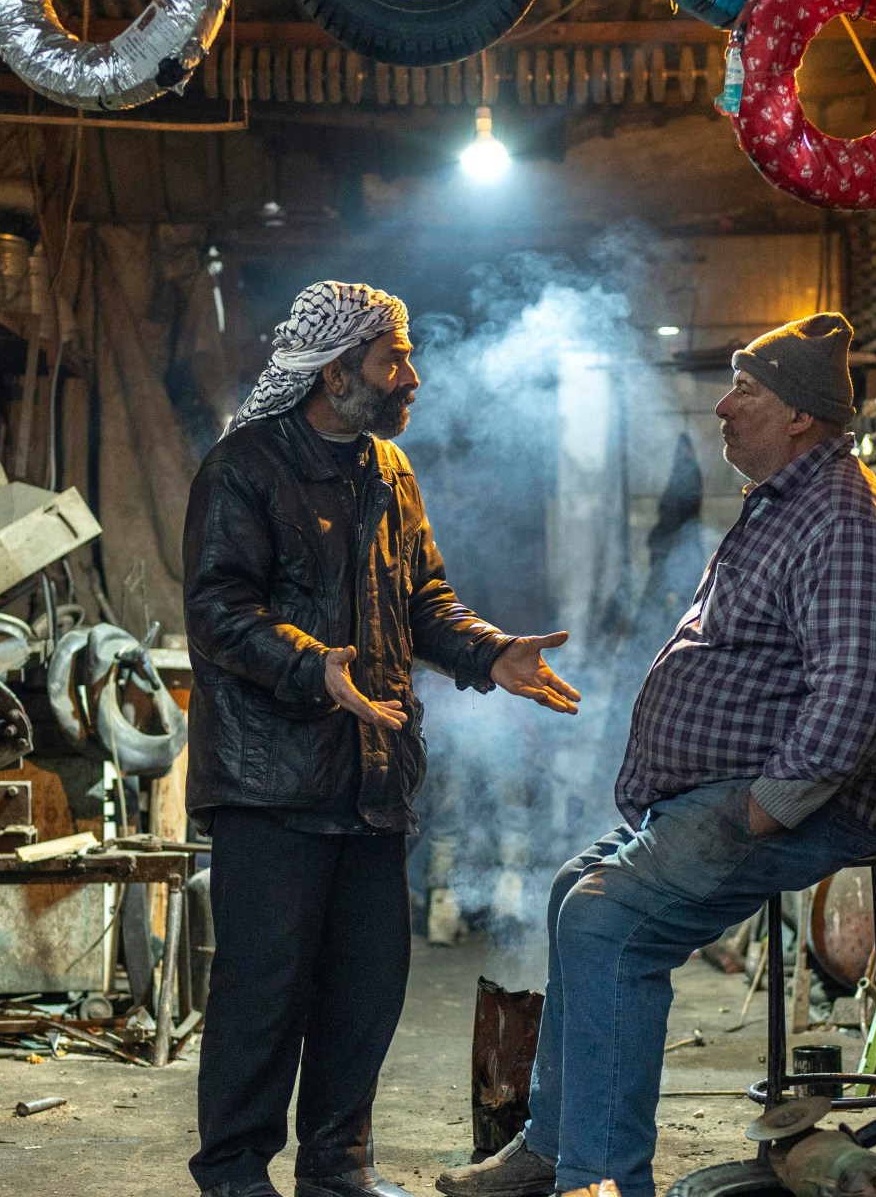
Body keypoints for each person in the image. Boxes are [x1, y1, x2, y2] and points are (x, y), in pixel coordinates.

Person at [436, 312, 876, 1197]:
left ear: (802, 417)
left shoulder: (848, 522)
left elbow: (859, 689)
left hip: (799, 807)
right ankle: (552, 1147)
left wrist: (763, 807)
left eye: (748, 389)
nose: (723, 405)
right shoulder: (787, 503)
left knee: (607, 923)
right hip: (725, 793)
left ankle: (599, 1179)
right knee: (569, 895)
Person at [185, 280, 585, 1197]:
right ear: (335, 374)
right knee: (263, 995)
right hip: (271, 784)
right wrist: (310, 665)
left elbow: (423, 605)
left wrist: (491, 654)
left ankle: (338, 1169)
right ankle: (236, 1173)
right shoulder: (244, 469)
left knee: (364, 993)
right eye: (391, 359)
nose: (412, 375)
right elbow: (217, 610)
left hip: (372, 780)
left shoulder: (387, 471)